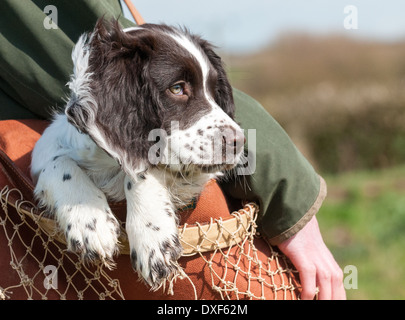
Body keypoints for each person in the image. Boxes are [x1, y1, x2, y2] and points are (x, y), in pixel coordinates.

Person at [0, 0, 345, 300]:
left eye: (209, 92)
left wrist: (143, 181)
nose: (234, 134)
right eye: (179, 88)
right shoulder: (98, 104)